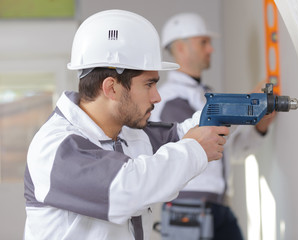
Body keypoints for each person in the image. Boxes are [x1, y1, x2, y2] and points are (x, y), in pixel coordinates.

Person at [23, 9, 230, 240]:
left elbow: (184, 134)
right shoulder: (55, 148)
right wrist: (196, 150)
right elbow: (124, 189)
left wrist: (229, 111)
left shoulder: (129, 135)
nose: (156, 97)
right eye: (148, 85)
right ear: (111, 88)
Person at [151, 12, 275, 240]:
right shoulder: (168, 99)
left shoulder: (205, 95)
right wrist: (246, 103)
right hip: (188, 207)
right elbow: (199, 138)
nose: (211, 49)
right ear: (180, 48)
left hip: (218, 207)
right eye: (203, 43)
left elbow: (229, 151)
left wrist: (260, 127)